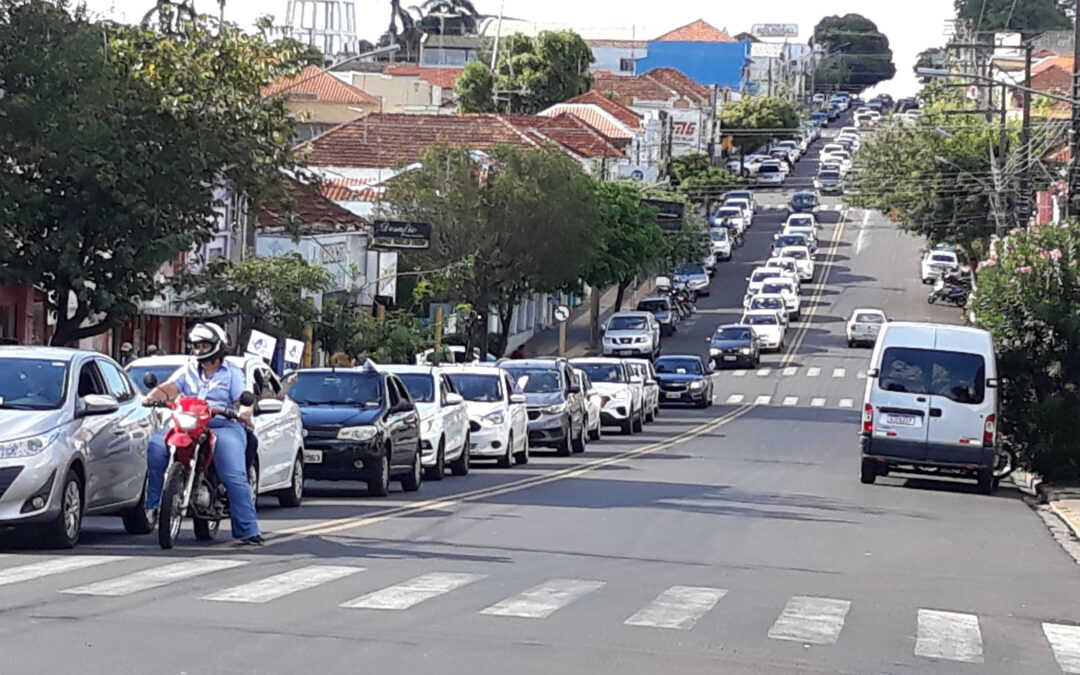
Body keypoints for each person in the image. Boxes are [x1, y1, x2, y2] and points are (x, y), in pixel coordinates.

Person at [141, 322, 263, 546]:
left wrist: (245, 411)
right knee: (156, 447)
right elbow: (170, 387)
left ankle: (247, 528)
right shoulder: (187, 370)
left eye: (204, 345)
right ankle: (155, 504)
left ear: (217, 346)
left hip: (222, 424)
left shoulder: (232, 373)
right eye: (196, 346)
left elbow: (242, 399)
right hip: (187, 423)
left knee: (234, 475)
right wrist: (151, 396)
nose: (199, 350)